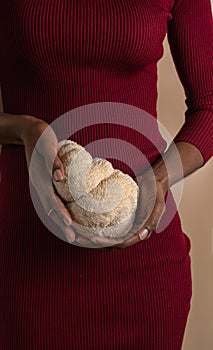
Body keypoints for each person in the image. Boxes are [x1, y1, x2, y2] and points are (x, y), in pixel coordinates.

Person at [0, 0, 212, 349]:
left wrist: (158, 179)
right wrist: (28, 130)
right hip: (32, 259)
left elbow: (210, 103)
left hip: (144, 266)